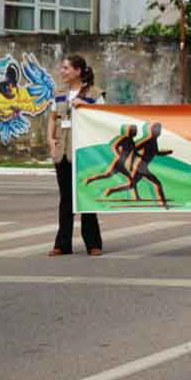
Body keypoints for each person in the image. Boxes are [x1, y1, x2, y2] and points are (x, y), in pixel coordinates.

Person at [47, 55, 106, 257]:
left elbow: (104, 119)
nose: (62, 71)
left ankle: (93, 243)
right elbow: (53, 118)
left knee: (86, 197)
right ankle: (62, 244)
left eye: (66, 68)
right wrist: (50, 140)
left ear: (78, 71)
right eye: (62, 68)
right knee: (66, 199)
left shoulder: (95, 94)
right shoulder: (59, 92)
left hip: (84, 153)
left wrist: (86, 106)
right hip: (63, 152)